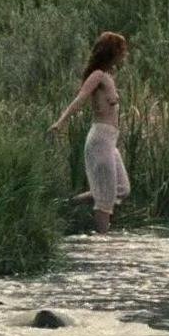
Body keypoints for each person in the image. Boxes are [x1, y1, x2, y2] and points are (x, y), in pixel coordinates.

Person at [50, 32, 131, 234]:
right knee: (105, 198)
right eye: (122, 50)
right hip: (100, 139)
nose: (125, 54)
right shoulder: (97, 76)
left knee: (122, 189)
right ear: (112, 52)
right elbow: (80, 99)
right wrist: (60, 122)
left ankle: (65, 204)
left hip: (110, 140)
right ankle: (103, 241)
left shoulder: (109, 78)